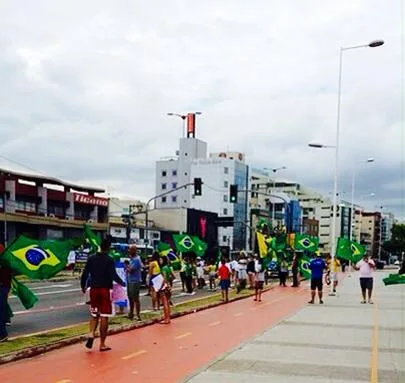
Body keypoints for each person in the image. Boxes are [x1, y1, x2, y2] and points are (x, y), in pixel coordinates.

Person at [80, 238, 126, 352]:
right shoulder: (109, 260)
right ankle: (102, 344)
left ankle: (91, 334)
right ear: (109, 247)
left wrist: (83, 286)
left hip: (94, 289)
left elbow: (85, 273)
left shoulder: (91, 258)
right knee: (104, 316)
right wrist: (122, 283)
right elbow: (113, 275)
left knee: (94, 314)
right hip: (105, 289)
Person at [125, 246, 143, 321]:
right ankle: (131, 313)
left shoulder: (136, 260)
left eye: (130, 250)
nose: (129, 251)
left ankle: (138, 314)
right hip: (130, 280)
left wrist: (126, 266)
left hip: (135, 281)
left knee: (135, 298)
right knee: (130, 298)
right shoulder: (132, 259)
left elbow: (130, 270)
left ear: (134, 251)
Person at [159, 256, 174, 321]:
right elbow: (172, 276)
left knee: (164, 303)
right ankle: (168, 317)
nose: (160, 261)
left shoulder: (163, 268)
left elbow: (164, 278)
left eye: (161, 260)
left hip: (164, 286)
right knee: (167, 302)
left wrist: (160, 286)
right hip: (168, 285)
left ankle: (166, 318)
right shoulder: (168, 267)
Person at [0, 265, 12, 342]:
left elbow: (6, 280)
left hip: (2, 288)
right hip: (4, 288)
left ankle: (2, 335)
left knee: (1, 310)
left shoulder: (5, 265)